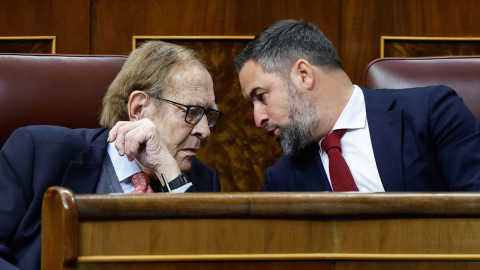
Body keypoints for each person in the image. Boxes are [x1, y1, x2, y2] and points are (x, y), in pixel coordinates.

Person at [0, 41, 222, 269]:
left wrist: (169, 174)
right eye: (192, 112)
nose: (205, 131)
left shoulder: (200, 184)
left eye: (209, 115)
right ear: (138, 109)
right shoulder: (39, 153)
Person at [234, 19, 480, 192]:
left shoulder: (431, 112)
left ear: (304, 75)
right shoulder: (281, 181)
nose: (258, 118)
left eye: (261, 96)